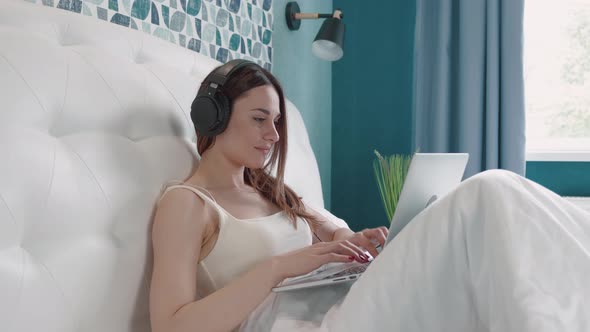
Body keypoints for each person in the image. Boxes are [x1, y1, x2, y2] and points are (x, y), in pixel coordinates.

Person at [149, 60, 590, 332]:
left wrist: (352, 240)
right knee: (488, 191)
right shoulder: (187, 203)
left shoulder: (271, 191)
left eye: (278, 121)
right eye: (260, 119)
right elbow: (170, 325)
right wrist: (278, 268)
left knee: (499, 208)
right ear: (213, 116)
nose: (274, 135)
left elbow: (334, 230)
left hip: (341, 301)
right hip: (295, 324)